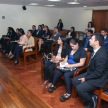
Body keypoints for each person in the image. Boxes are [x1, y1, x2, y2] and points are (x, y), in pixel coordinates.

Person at [72, 33, 108, 108]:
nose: (89, 40)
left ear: (96, 42)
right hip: (91, 72)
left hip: (99, 78)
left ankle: (90, 101)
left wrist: (85, 78)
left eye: (91, 39)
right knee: (74, 81)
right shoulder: (98, 48)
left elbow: (98, 73)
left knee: (79, 88)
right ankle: (92, 96)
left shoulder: (101, 55)